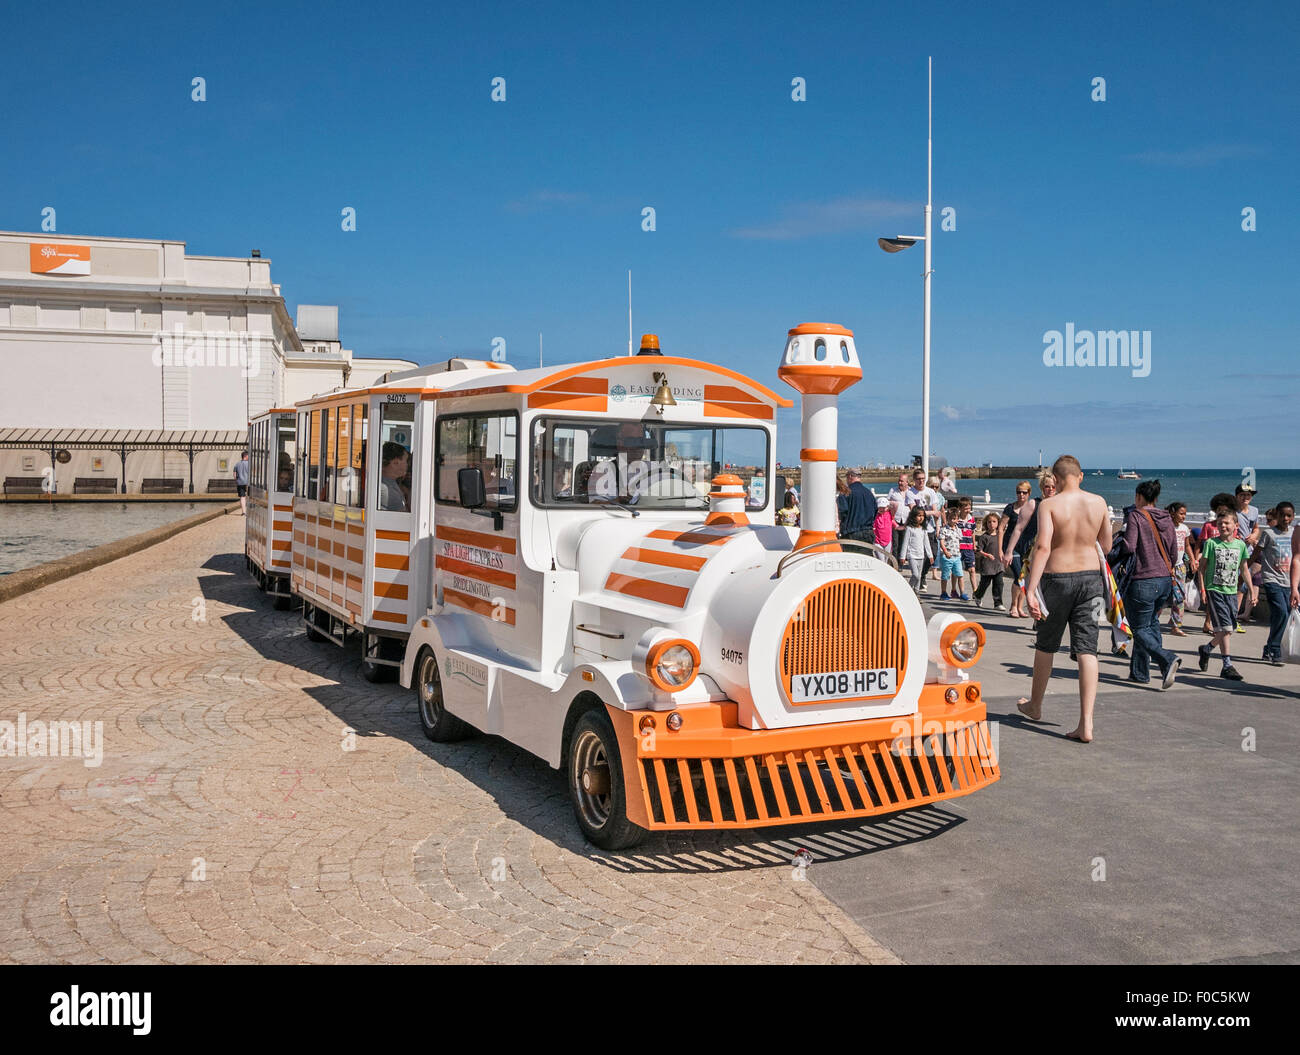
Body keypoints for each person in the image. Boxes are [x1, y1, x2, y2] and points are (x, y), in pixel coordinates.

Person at [1018, 455, 1112, 743]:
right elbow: (1105, 545)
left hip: (1056, 579)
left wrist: (1030, 589)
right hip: (1091, 580)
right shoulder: (1099, 503)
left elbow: (1043, 546)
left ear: (1055, 480)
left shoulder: (1049, 504)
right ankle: (1086, 723)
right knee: (1087, 649)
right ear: (1080, 476)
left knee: (1046, 644)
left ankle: (1035, 705)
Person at [1116, 480, 1181, 687]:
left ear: (1139, 497)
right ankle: (1140, 673)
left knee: (1139, 628)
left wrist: (1118, 538)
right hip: (1164, 580)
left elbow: (1129, 546)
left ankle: (1166, 659)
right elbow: (1174, 552)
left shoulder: (1136, 515)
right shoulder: (1167, 518)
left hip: (1143, 579)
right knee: (1152, 624)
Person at [1196, 509, 1252, 680]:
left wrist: (1250, 589)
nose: (1223, 526)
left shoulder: (1240, 545)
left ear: (1236, 525)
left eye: (1227, 523)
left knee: (1229, 629)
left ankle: (1207, 649)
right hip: (1215, 590)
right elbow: (1202, 568)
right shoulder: (1212, 544)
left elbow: (1244, 569)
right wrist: (1203, 590)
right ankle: (1227, 665)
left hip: (1231, 591)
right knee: (1225, 627)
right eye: (1220, 523)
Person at [1249, 500, 1294, 666]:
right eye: (1282, 515)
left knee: (1283, 615)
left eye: (1289, 515)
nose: (1286, 518)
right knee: (1281, 612)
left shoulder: (1294, 533)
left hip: (1289, 581)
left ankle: (1268, 647)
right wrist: (1244, 570)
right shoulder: (1269, 533)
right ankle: (1275, 650)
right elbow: (1256, 553)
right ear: (1277, 516)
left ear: (1293, 516)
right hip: (1271, 579)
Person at [998, 481, 1034, 617]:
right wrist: (1001, 550)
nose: (1021, 495)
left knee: (1026, 577)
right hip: (1011, 546)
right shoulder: (1010, 508)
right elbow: (1001, 528)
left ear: (1029, 493)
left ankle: (1020, 607)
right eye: (1019, 492)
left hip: (1026, 546)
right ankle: (1013, 605)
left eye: (1024, 492)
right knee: (1020, 575)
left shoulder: (1032, 509)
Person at [1164, 501, 1194, 636]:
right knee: (1162, 596)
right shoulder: (1165, 528)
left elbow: (1187, 546)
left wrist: (1192, 560)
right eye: (1181, 513)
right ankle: (1151, 622)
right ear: (1172, 513)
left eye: (1185, 514)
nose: (1183, 516)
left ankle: (1176, 625)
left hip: (1180, 567)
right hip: (1166, 568)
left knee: (1180, 596)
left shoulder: (1184, 529)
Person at [973, 513, 1006, 610]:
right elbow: (979, 550)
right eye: (989, 522)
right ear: (986, 523)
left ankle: (998, 603)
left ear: (998, 523)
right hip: (987, 565)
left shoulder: (1000, 535)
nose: (991, 524)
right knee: (984, 584)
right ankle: (978, 595)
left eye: (994, 522)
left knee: (999, 583)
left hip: (998, 564)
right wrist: (987, 555)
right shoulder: (984, 537)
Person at [837, 468, 878, 543]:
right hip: (868, 533)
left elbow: (841, 512)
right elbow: (875, 511)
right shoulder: (869, 493)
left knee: (851, 554)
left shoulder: (846, 492)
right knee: (866, 554)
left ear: (850, 476)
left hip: (851, 533)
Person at [901, 506, 932, 594]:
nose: (921, 518)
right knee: (915, 575)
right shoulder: (909, 529)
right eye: (918, 515)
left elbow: (927, 543)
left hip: (921, 556)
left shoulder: (923, 529)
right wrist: (903, 556)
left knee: (919, 575)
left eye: (922, 516)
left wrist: (930, 555)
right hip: (911, 555)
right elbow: (905, 543)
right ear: (913, 516)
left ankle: (916, 593)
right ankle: (909, 590)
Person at [937, 508, 966, 600]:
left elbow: (959, 541)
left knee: (960, 574)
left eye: (955, 519)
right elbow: (941, 542)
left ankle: (962, 593)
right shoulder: (944, 529)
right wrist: (945, 552)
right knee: (945, 575)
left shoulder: (958, 529)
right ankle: (943, 592)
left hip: (957, 556)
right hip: (947, 556)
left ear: (957, 519)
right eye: (951, 518)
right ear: (948, 518)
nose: (953, 520)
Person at [380, 442, 410, 511]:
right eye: (406, 460)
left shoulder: (387, 483)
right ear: (395, 462)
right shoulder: (387, 491)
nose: (407, 464)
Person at [958, 496, 978, 597]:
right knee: (959, 571)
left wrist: (974, 544)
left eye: (969, 508)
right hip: (959, 547)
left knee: (972, 569)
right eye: (965, 508)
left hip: (969, 547)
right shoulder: (957, 520)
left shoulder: (971, 519)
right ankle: (961, 592)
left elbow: (973, 532)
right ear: (960, 508)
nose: (967, 510)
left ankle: (975, 591)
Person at [234, 450, 250, 515]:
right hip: (248, 483)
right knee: (249, 496)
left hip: (240, 483)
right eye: (248, 456)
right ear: (245, 456)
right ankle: (250, 510)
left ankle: (243, 512)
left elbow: (234, 475)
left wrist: (237, 480)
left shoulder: (237, 464)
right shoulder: (249, 464)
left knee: (242, 497)